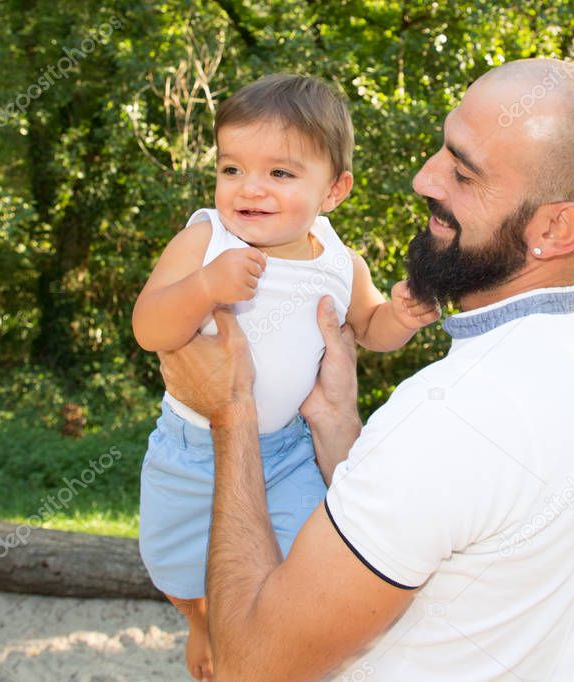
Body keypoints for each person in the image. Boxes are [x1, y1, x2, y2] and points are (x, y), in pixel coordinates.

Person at [158, 58, 574, 680]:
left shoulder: (460, 412)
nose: (424, 178)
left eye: (462, 172)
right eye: (442, 151)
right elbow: (431, 524)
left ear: (556, 227)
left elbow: (249, 667)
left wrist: (232, 412)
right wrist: (337, 422)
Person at [131, 74, 439, 681]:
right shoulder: (205, 240)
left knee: (303, 564)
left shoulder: (338, 261)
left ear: (334, 190)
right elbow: (149, 328)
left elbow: (368, 329)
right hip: (192, 446)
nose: (251, 188)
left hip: (292, 453)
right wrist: (204, 287)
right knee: (171, 559)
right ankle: (202, 622)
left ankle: (268, 646)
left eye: (280, 173)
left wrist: (399, 316)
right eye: (232, 169)